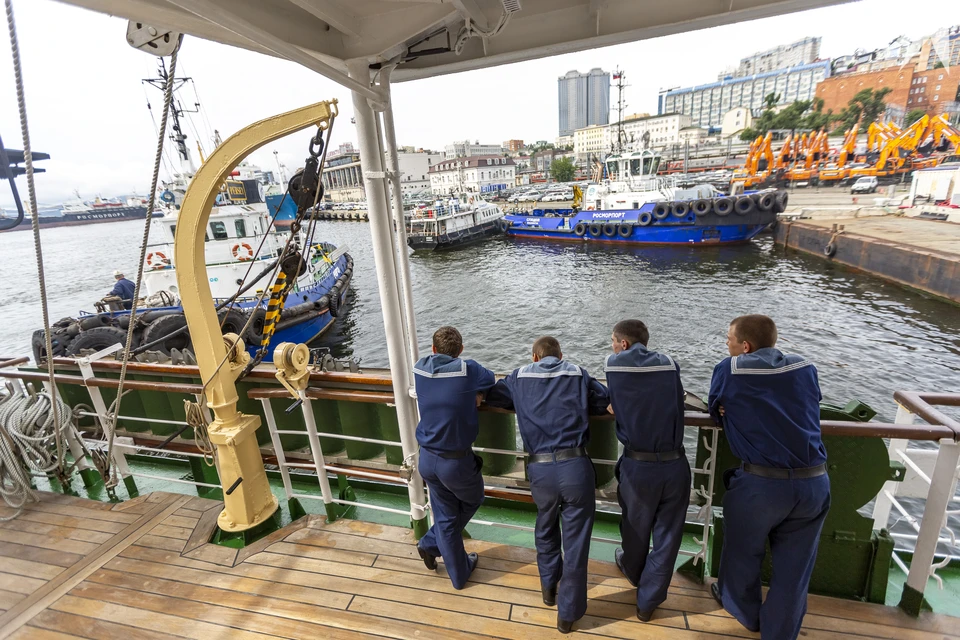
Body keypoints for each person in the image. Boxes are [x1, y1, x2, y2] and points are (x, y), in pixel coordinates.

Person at [708, 315, 830, 640]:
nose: (727, 344)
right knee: (795, 570)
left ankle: (744, 612)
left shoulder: (730, 369)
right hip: (814, 483)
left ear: (745, 346)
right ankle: (780, 633)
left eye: (729, 339)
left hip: (761, 485)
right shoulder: (805, 367)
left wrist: (724, 410)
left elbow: (714, 407)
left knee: (743, 552)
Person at [486, 336, 609, 634]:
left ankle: (548, 588)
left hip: (540, 469)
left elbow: (495, 396)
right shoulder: (578, 373)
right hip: (576, 466)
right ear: (561, 355)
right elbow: (603, 400)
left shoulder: (518, 376)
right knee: (576, 543)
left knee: (545, 527)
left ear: (534, 357)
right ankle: (568, 615)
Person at [605, 320, 690, 623]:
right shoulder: (669, 364)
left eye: (613, 341)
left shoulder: (614, 364)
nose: (612, 346)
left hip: (639, 466)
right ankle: (648, 602)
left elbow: (617, 397)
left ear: (624, 344)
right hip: (675, 464)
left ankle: (632, 570)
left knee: (635, 527)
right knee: (668, 536)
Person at [414, 326, 496, 590]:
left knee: (447, 515)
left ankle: (458, 570)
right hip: (455, 462)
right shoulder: (468, 369)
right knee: (473, 499)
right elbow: (491, 379)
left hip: (427, 459)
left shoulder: (420, 368)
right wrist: (476, 394)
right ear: (461, 350)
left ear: (433, 349)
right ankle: (430, 543)